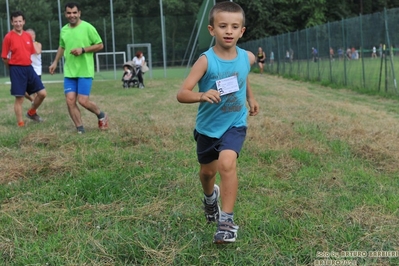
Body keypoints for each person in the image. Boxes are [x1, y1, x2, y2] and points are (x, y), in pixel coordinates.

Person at [176, 1, 259, 244]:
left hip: (235, 123)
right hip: (208, 129)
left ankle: (227, 222)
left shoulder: (248, 57)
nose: (229, 31)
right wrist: (201, 95)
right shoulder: (206, 60)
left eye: (235, 26)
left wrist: (251, 98)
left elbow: (242, 76)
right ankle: (210, 198)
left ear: (242, 31)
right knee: (207, 173)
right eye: (223, 26)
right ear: (212, 29)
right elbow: (182, 93)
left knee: (226, 163)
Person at [49, 2, 108, 134]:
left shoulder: (88, 27)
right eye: (69, 13)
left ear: (79, 13)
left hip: (85, 70)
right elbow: (62, 46)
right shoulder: (64, 30)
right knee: (70, 101)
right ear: (65, 14)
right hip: (70, 71)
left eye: (74, 12)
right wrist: (55, 62)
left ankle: (101, 115)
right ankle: (80, 128)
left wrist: (83, 49)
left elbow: (100, 45)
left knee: (83, 101)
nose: (72, 15)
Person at [1, 11, 47, 127]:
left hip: (29, 68)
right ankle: (20, 124)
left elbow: (33, 52)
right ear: (12, 22)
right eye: (15, 21)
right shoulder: (8, 37)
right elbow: (4, 57)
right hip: (16, 69)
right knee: (19, 98)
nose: (18, 23)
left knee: (42, 93)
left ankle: (31, 112)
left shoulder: (27, 36)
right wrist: (12, 68)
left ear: (24, 22)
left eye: (20, 21)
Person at [24, 28, 42, 103]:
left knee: (37, 91)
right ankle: (32, 101)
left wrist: (32, 41)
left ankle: (34, 107)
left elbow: (38, 51)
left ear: (33, 35)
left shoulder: (37, 44)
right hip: (26, 69)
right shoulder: (24, 44)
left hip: (36, 70)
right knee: (22, 91)